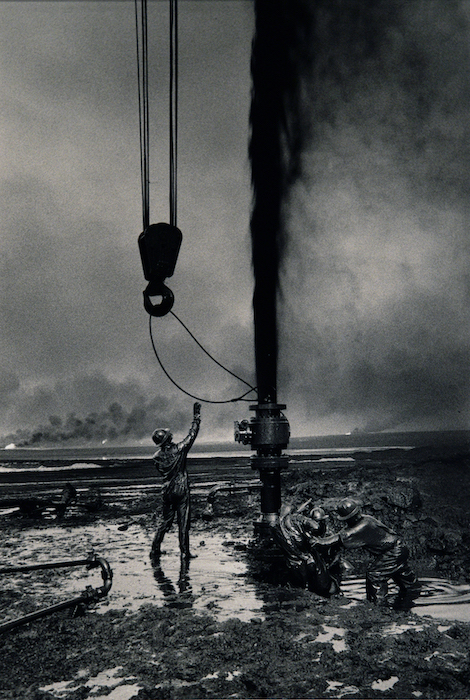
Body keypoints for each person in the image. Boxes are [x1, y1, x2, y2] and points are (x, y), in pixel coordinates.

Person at [313, 497, 418, 605]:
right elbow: (344, 533)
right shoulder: (364, 520)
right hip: (397, 548)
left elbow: (343, 536)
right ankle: (414, 590)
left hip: (395, 550)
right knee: (402, 573)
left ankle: (377, 603)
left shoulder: (365, 524)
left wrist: (320, 541)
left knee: (375, 574)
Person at [150, 402, 201, 562]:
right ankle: (185, 552)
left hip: (167, 490)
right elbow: (192, 435)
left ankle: (155, 548)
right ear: (168, 439)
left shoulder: (156, 457)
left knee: (165, 521)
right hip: (181, 488)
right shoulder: (179, 449)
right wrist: (196, 418)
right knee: (183, 522)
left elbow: (161, 471)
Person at [273, 501, 341, 596]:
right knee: (319, 579)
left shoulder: (277, 525)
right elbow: (315, 528)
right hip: (305, 558)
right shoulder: (297, 521)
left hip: (298, 559)